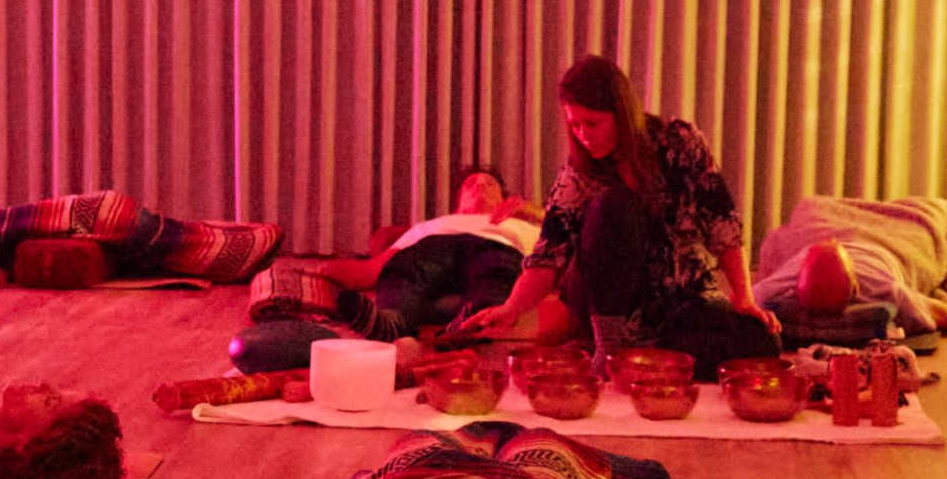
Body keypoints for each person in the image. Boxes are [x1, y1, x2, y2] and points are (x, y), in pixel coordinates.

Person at [461, 55, 777, 369]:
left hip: (680, 304)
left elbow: (723, 221)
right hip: (611, 312)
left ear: (621, 113)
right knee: (615, 204)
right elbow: (547, 257)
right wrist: (511, 308)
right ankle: (611, 350)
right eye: (575, 125)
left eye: (593, 124)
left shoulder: (679, 142)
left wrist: (744, 298)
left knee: (763, 342)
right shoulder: (577, 175)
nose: (584, 135)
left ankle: (648, 356)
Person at [749, 192, 947, 347]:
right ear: (796, 286)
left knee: (941, 224)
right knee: (808, 211)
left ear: (856, 291)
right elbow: (735, 306)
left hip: (887, 246)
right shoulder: (775, 289)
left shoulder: (883, 288)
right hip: (821, 233)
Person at [302, 164, 550, 339]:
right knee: (403, 268)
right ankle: (392, 323)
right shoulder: (433, 226)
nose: (480, 187)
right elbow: (372, 270)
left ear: (503, 197)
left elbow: (563, 251)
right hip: (435, 248)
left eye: (489, 184)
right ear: (459, 202)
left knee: (496, 270)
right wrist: (316, 270)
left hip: (498, 246)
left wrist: (532, 211)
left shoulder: (521, 224)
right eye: (471, 184)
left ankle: (473, 324)